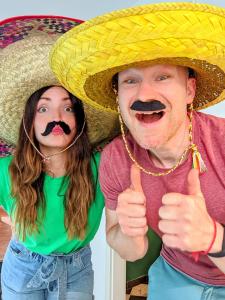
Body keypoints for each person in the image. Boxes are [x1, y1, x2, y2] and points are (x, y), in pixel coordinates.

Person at [50, 2, 225, 299]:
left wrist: (214, 239)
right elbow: (129, 250)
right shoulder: (117, 158)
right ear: (118, 98)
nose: (144, 95)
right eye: (131, 80)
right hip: (173, 276)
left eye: (162, 77)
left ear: (190, 90)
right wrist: (130, 233)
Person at [0, 16, 118, 300]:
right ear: (29, 122)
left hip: (76, 269)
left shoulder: (101, 167)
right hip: (22, 266)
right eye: (43, 109)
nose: (56, 118)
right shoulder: (7, 169)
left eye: (67, 109)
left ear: (79, 121)